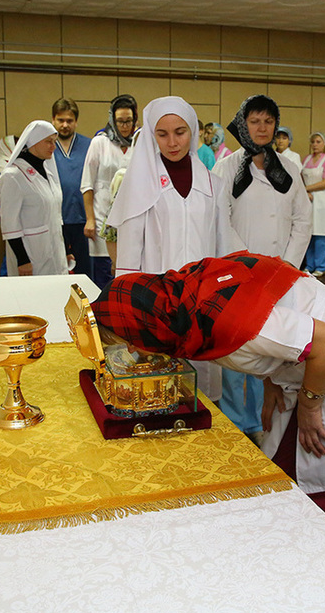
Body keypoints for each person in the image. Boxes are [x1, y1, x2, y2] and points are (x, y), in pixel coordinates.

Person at [91, 252, 325, 522]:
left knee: (315, 476)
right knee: (279, 462)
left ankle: (312, 556)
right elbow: (267, 306)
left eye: (129, 340)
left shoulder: (224, 321)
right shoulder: (184, 300)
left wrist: (310, 407)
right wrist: (270, 381)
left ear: (145, 325)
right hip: (306, 357)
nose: (134, 352)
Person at [106, 96, 244, 402]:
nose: (172, 142)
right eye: (162, 134)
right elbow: (129, 255)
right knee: (159, 388)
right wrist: (130, 319)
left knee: (201, 390)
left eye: (180, 132)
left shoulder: (214, 185)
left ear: (193, 131)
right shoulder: (139, 184)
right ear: (151, 135)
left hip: (203, 302)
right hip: (156, 303)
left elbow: (223, 246)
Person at [213, 95, 312, 440]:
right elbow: (218, 219)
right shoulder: (225, 169)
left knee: (275, 344)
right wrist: (241, 260)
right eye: (255, 121)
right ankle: (235, 418)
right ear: (243, 123)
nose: (262, 128)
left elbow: (303, 219)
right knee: (238, 345)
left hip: (280, 274)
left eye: (268, 122)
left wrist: (287, 264)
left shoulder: (289, 169)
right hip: (237, 270)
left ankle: (267, 419)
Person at [0, 120, 68, 276]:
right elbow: (9, 224)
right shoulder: (13, 176)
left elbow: (56, 215)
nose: (53, 147)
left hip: (55, 251)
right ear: (33, 142)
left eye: (54, 142)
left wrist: (66, 248)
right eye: (48, 142)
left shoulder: (48, 171)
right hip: (30, 255)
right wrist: (22, 260)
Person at [82, 94, 137, 288]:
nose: (124, 126)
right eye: (119, 121)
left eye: (128, 121)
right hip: (101, 217)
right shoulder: (100, 143)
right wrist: (90, 219)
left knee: (127, 275)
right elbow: (87, 184)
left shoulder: (140, 144)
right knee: (103, 277)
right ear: (112, 120)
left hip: (130, 220)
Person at [51, 98, 92, 276]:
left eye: (69, 120)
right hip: (57, 219)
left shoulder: (89, 145)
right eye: (60, 120)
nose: (65, 125)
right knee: (59, 270)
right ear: (53, 120)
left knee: (85, 271)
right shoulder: (47, 146)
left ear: (76, 122)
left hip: (84, 219)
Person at [301, 131, 325, 276]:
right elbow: (301, 178)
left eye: (318, 142)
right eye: (313, 142)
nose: (315, 145)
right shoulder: (306, 159)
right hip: (307, 199)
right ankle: (309, 265)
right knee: (308, 233)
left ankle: (321, 266)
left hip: (322, 200)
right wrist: (304, 192)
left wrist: (305, 189)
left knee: (321, 234)